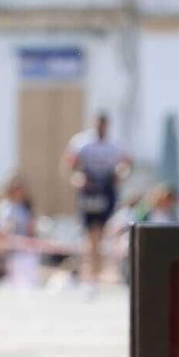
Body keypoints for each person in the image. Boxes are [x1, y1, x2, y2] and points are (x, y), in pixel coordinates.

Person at [62, 112, 130, 285]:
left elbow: (127, 164)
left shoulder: (115, 144)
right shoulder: (82, 142)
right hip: (89, 190)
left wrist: (120, 175)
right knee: (91, 233)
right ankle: (91, 273)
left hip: (107, 190)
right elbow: (69, 164)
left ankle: (101, 272)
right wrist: (78, 178)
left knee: (105, 230)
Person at [0, 175, 40, 289]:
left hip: (25, 249)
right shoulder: (5, 206)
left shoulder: (26, 207)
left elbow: (31, 226)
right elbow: (2, 226)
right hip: (10, 249)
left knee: (27, 281)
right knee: (12, 279)